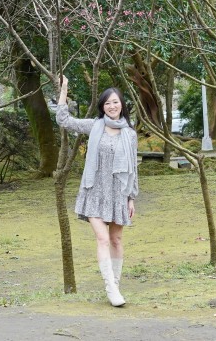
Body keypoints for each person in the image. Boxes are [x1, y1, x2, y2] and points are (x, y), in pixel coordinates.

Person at [54, 75, 139, 307]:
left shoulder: (130, 134)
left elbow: (133, 169)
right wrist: (64, 89)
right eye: (107, 103)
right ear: (103, 107)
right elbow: (64, 120)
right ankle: (110, 288)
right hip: (94, 190)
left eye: (116, 102)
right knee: (102, 238)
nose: (112, 106)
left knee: (116, 239)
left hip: (118, 194)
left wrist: (131, 198)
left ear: (122, 104)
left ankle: (116, 284)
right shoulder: (94, 126)